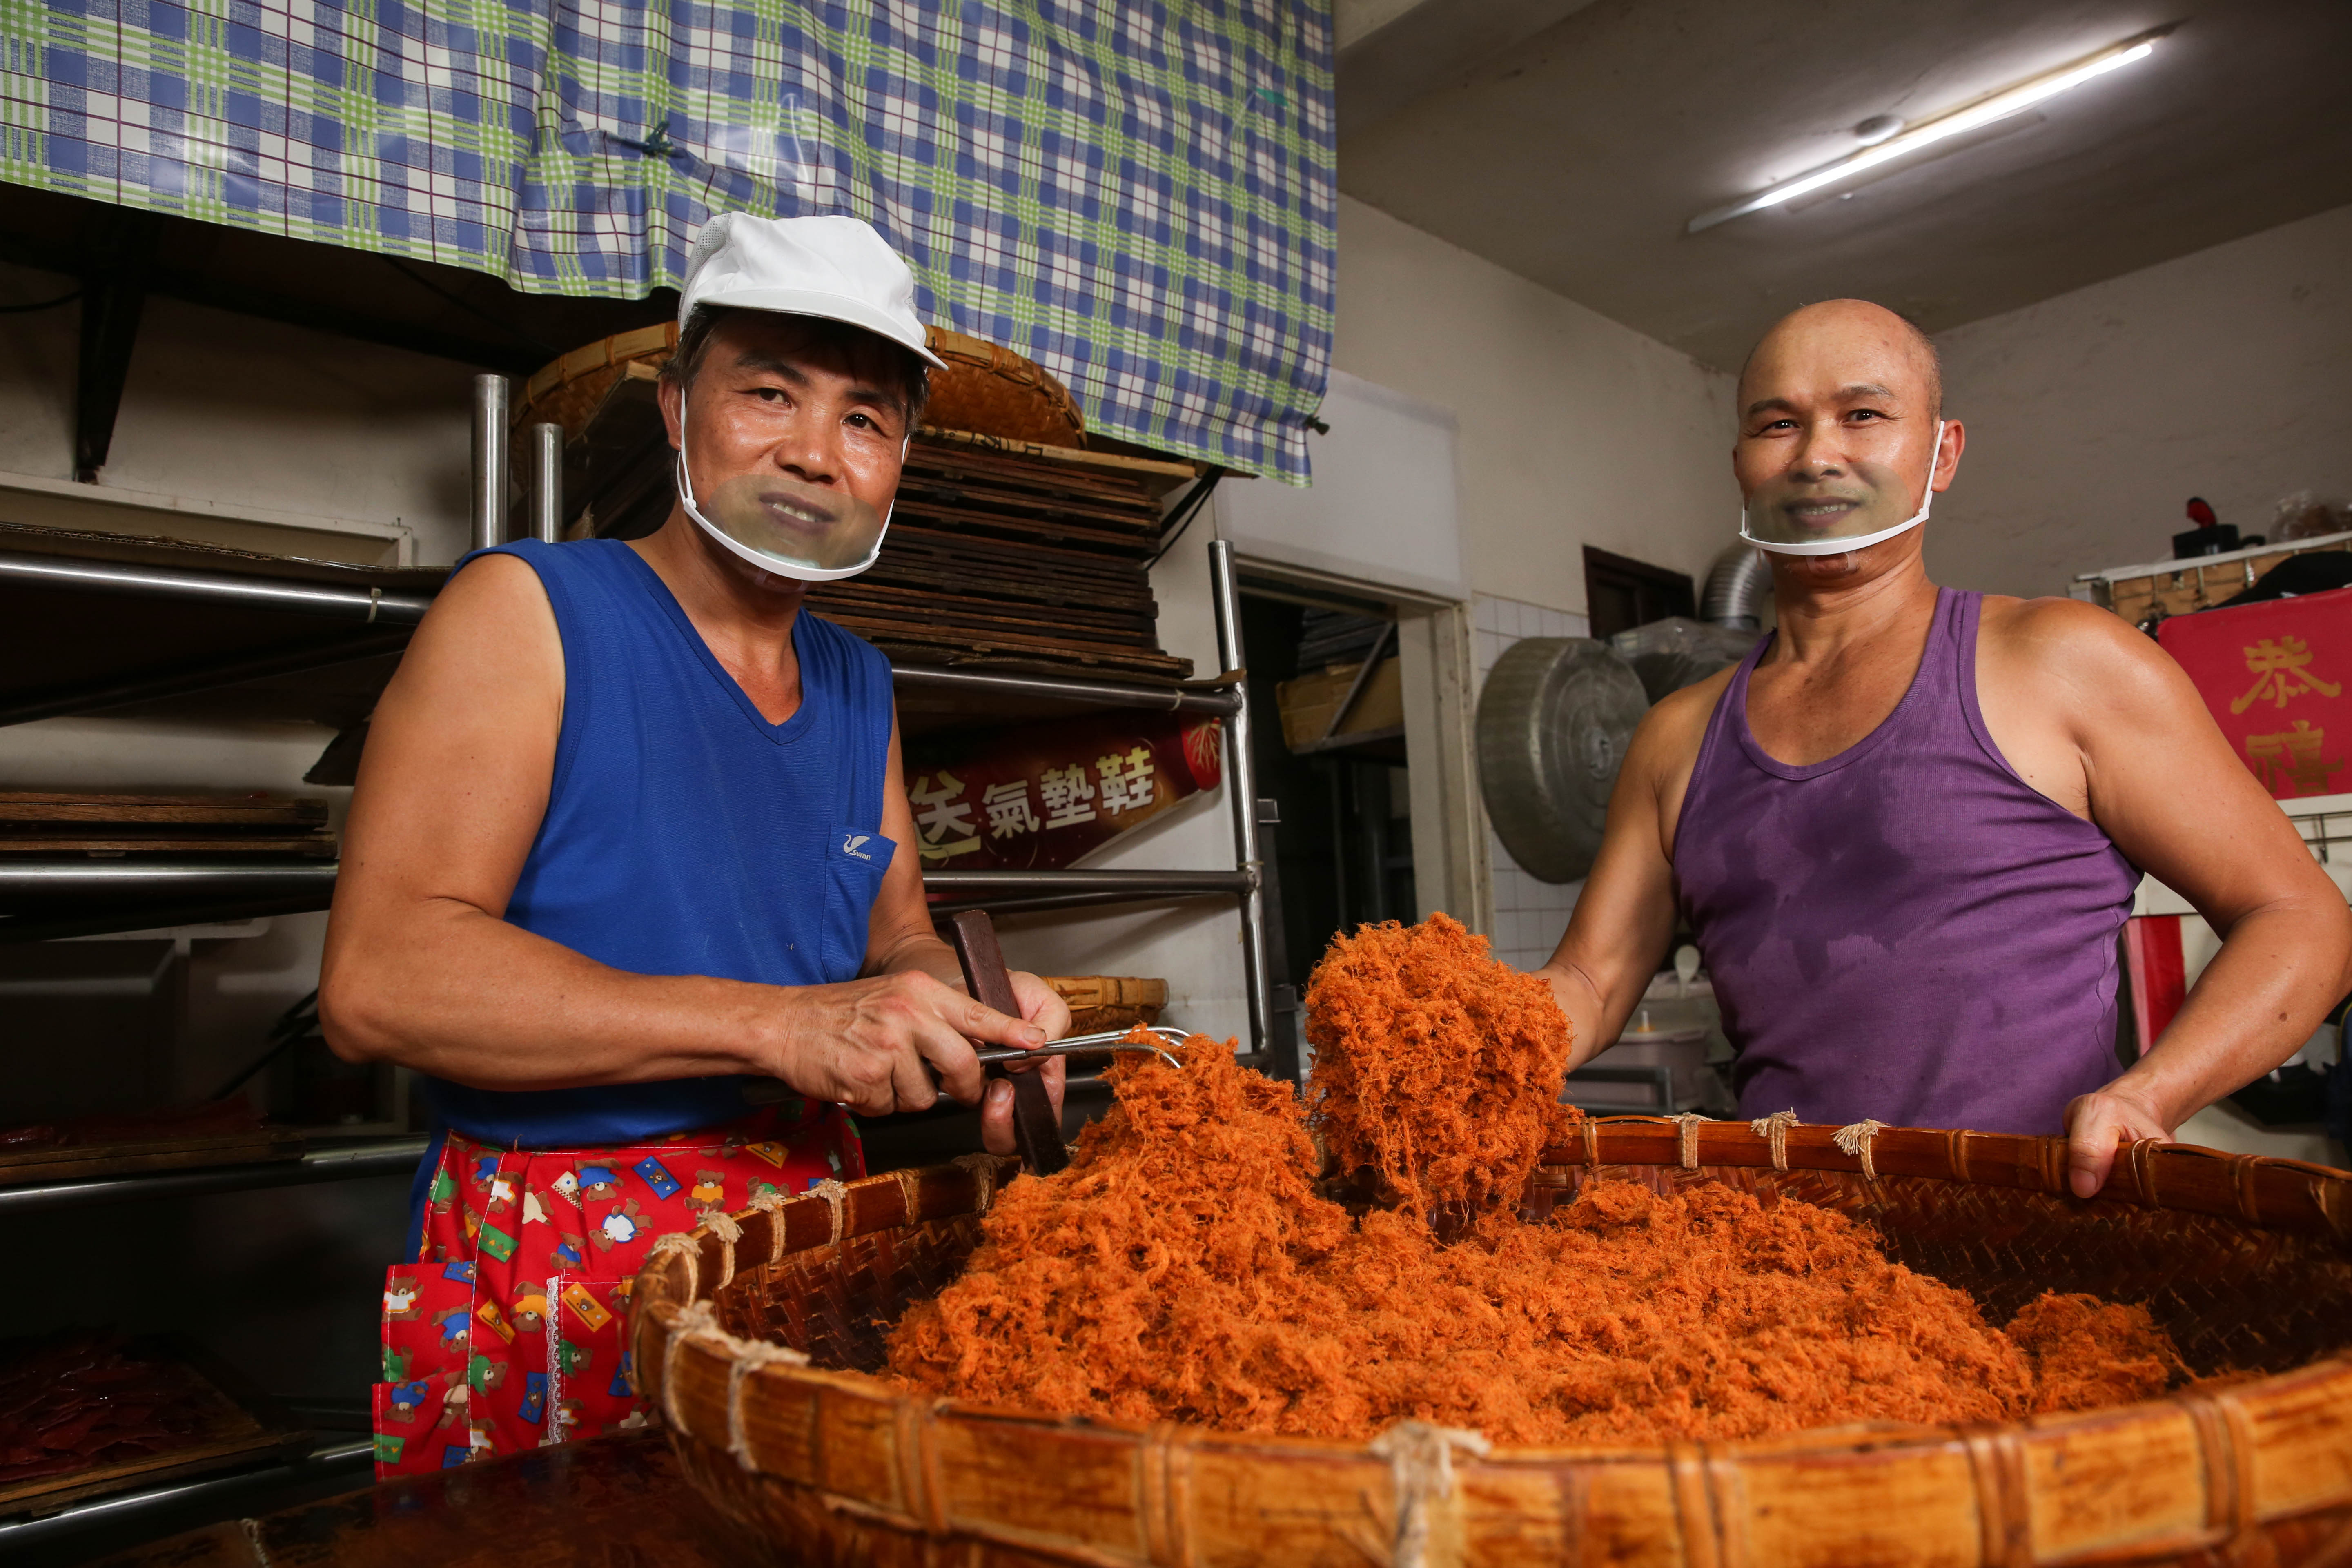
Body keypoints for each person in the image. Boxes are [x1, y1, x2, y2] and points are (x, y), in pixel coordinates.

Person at [321, 213, 1069, 1473]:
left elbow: (895, 932)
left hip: (804, 1241)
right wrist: (782, 1027)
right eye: (768, 392)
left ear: (898, 461)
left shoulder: (858, 681)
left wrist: (968, 1011)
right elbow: (380, 981)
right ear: (676, 410)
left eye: (865, 419)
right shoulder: (530, 611)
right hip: (562, 1247)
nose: (814, 455)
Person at [1535, 298, 2352, 1199]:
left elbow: (2302, 917)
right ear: (1742, 465)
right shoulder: (1677, 736)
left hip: (2036, 1242)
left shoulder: (2063, 661)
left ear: (1944, 451)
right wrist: (1454, 1040)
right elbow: (1590, 979)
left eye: (1864, 415)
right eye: (1779, 425)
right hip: (1789, 1257)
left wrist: (2152, 1092)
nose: (1816, 455)